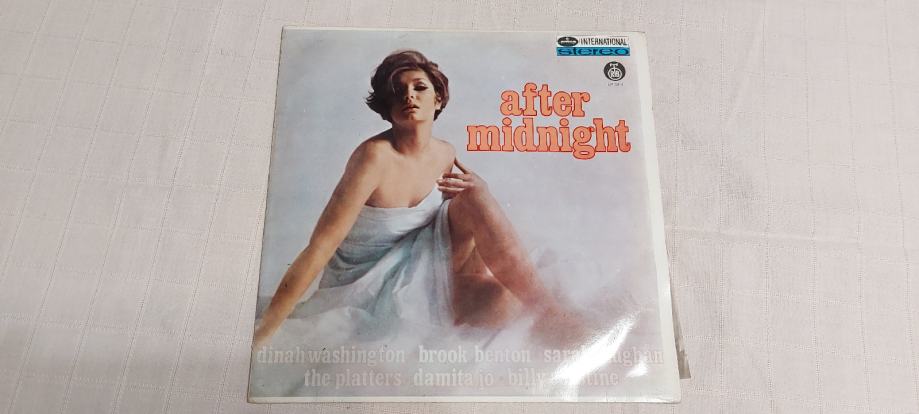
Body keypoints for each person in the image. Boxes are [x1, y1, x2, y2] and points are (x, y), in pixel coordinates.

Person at [252, 50, 579, 349]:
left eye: (419, 87)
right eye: (398, 91)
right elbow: (320, 246)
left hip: (423, 262)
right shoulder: (373, 158)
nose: (408, 95)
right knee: (500, 301)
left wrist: (481, 191)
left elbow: (467, 221)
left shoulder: (445, 153)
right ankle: (548, 313)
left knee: (478, 208)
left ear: (438, 99)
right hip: (369, 280)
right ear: (387, 106)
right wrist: (269, 325)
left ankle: (549, 312)